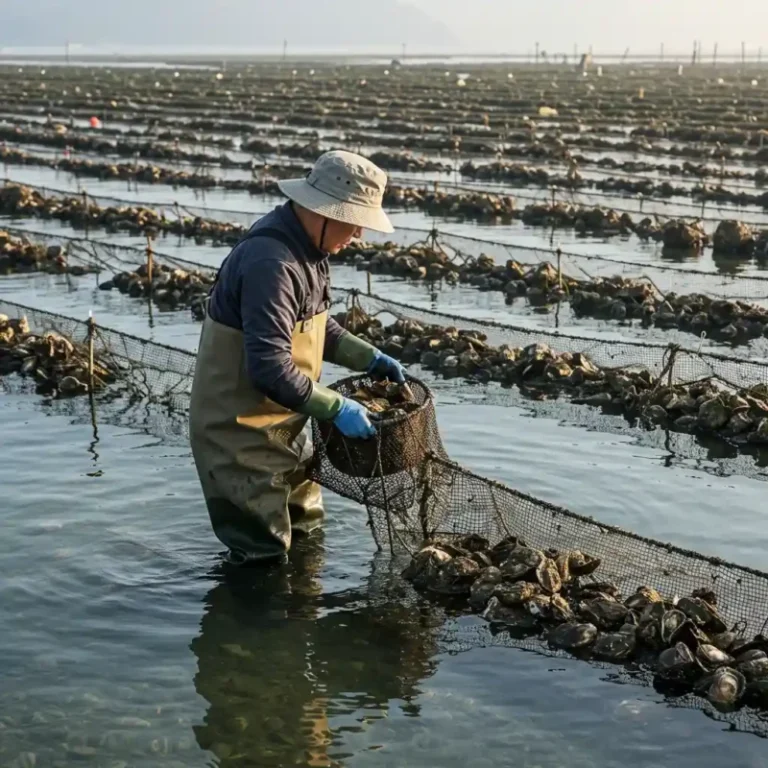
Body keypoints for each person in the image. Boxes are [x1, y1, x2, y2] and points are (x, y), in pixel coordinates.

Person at [189, 150, 406, 564]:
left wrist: (370, 358)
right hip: (239, 436)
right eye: (354, 221)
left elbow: (316, 327)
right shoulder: (272, 261)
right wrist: (338, 406)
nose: (359, 234)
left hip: (287, 423)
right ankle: (256, 627)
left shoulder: (310, 250)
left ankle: (304, 618)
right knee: (262, 556)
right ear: (323, 210)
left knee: (306, 530)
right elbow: (269, 366)